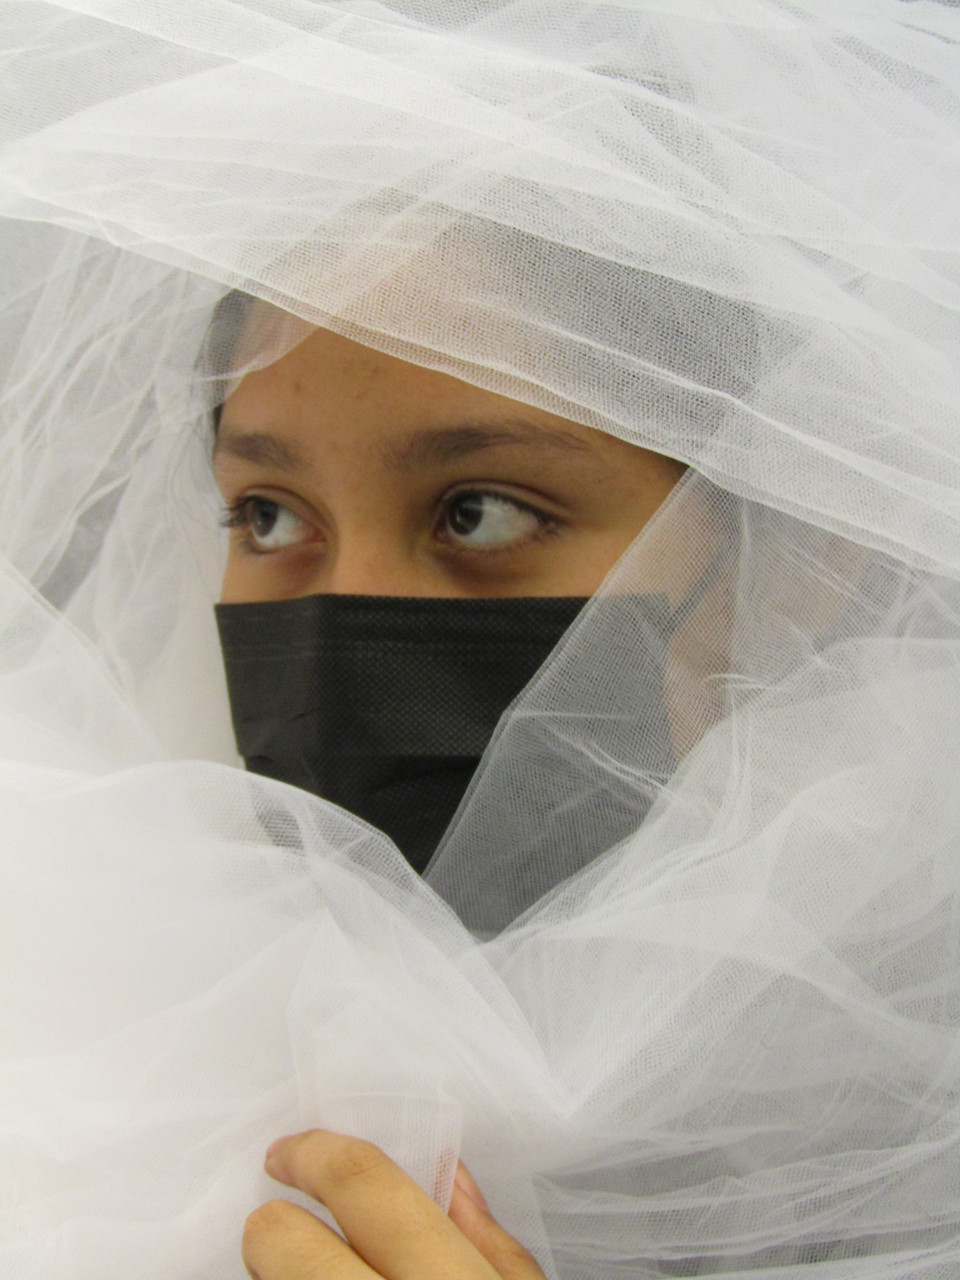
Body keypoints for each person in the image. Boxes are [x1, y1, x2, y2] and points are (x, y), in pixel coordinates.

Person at [1, 3, 958, 1279]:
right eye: (268, 512)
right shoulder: (81, 1040)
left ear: (802, 554)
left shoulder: (912, 1147)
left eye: (482, 509)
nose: (350, 616)